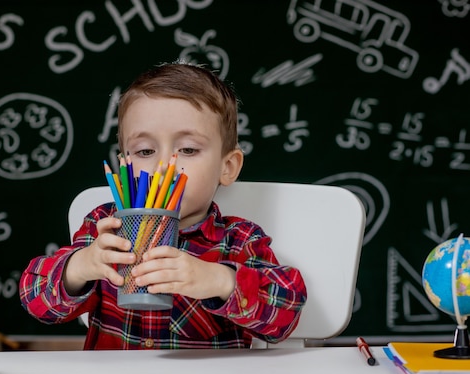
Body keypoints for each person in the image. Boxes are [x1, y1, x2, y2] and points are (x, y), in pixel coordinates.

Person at [19, 61, 307, 349]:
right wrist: (80, 267)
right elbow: (35, 301)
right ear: (126, 163)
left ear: (227, 167)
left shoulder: (238, 239)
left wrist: (220, 281)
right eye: (145, 151)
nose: (163, 166)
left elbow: (287, 314)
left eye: (188, 149)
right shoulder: (105, 228)